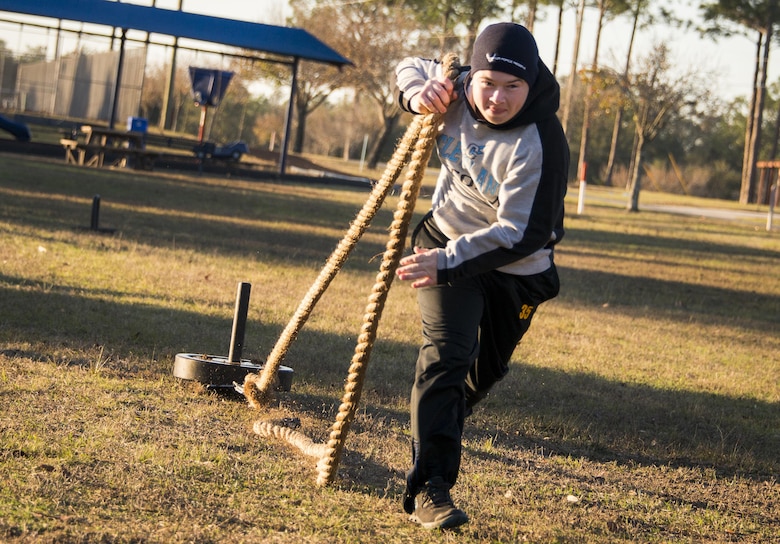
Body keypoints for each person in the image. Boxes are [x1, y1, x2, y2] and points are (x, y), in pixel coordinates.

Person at [394, 22, 570, 529]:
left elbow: (523, 233)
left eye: (512, 87)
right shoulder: (453, 87)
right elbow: (410, 64)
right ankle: (431, 487)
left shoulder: (540, 142)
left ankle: (438, 419)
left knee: (483, 371)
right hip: (443, 242)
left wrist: (452, 260)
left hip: (517, 268)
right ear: (471, 75)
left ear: (531, 83)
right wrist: (415, 92)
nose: (497, 98)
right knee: (446, 356)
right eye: (487, 83)